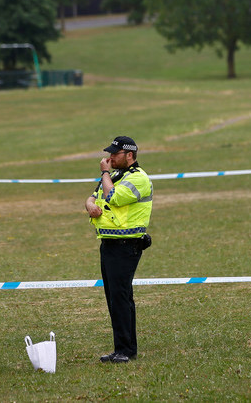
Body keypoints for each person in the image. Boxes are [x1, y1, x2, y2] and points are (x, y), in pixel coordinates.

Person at [85, 136, 154, 363]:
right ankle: (122, 348)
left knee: (121, 297)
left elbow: (112, 197)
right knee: (114, 297)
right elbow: (92, 197)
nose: (110, 157)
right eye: (110, 153)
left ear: (130, 156)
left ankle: (126, 350)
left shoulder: (139, 179)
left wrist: (104, 173)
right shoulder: (116, 176)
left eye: (115, 154)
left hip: (127, 245)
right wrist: (90, 206)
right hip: (109, 244)